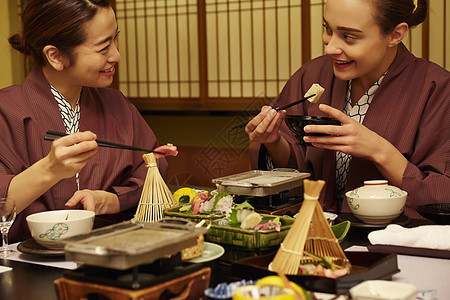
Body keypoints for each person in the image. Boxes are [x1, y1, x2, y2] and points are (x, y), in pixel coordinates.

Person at [246, 0, 449, 219]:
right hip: (316, 230)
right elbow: (296, 174)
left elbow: (441, 194)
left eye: (349, 36)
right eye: (327, 29)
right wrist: (274, 141)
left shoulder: (435, 88)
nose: (329, 48)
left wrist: (380, 151)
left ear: (395, 35)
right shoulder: (312, 75)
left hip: (394, 240)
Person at [0, 0, 177, 243]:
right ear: (56, 56)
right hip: (24, 267)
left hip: (105, 256)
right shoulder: (6, 111)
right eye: (103, 47)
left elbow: (150, 168)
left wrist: (110, 200)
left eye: (115, 40)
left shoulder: (117, 105)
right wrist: (49, 169)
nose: (116, 55)